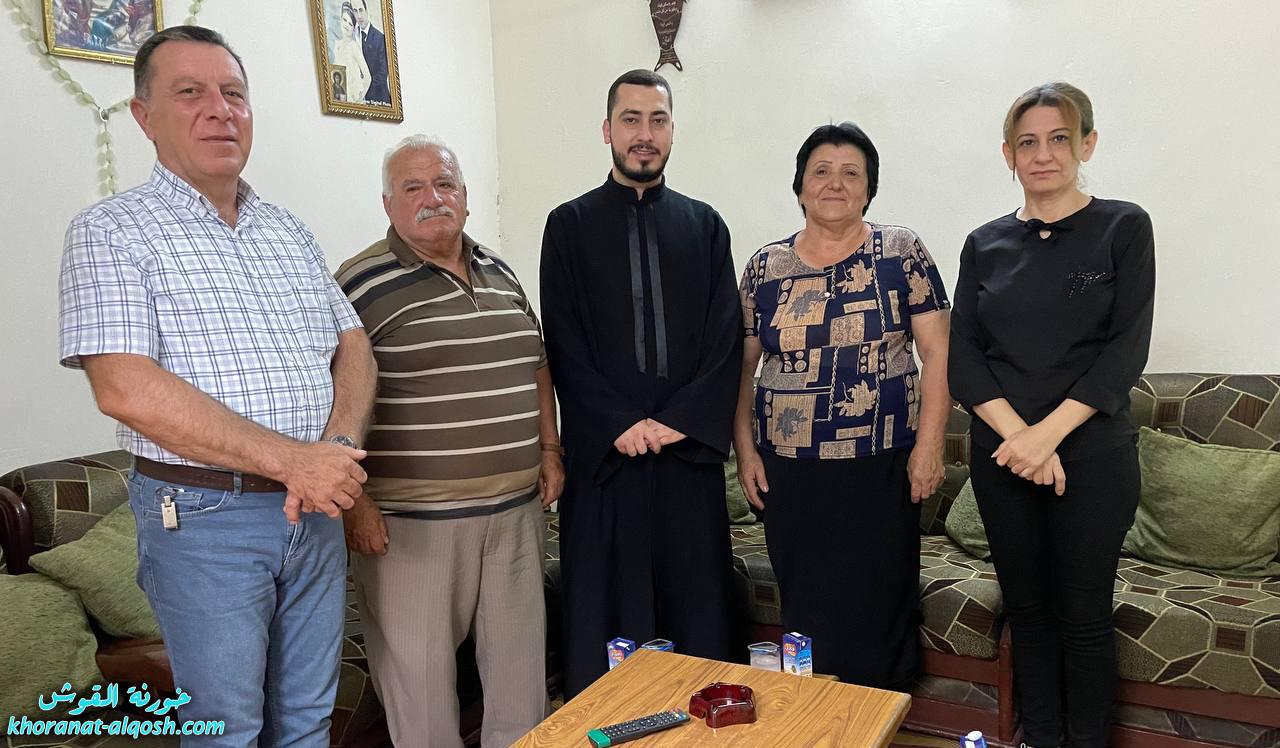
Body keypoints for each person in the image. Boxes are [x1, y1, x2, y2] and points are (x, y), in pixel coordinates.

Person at [57, 26, 377, 747]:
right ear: (144, 117)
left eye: (234, 93)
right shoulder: (111, 231)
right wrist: (295, 461)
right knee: (226, 731)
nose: (219, 109)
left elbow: (353, 344)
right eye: (190, 92)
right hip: (204, 517)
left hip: (313, 514)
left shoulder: (287, 231)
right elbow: (124, 388)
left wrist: (334, 447)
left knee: (307, 722)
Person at [336, 135, 562, 747]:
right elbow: (329, 398)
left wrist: (549, 450)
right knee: (422, 697)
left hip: (515, 514)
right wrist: (355, 503)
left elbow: (536, 363)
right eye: (413, 187)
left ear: (464, 194)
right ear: (388, 204)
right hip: (412, 527)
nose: (432, 198)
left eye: (444, 184)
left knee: (522, 688)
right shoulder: (357, 284)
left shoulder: (499, 270)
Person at [948, 82, 1155, 748]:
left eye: (1059, 138)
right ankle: (1038, 738)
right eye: (1028, 142)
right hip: (1003, 456)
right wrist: (1022, 441)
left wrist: (1047, 438)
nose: (1043, 154)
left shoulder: (1124, 227)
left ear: (1086, 144)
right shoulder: (983, 244)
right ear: (1008, 153)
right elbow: (965, 363)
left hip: (1093, 457)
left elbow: (1124, 353)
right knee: (1028, 614)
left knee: (1084, 616)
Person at [540, 68, 743, 698]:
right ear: (607, 130)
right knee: (606, 625)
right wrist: (619, 423)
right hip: (606, 466)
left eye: (657, 120)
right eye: (631, 120)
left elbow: (725, 339)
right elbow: (562, 342)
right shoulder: (568, 226)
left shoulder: (705, 227)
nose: (644, 134)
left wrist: (677, 421)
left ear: (673, 131)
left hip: (686, 463)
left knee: (697, 622)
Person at [732, 122, 951, 690]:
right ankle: (813, 708)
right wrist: (745, 452)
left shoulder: (900, 251)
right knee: (806, 597)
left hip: (882, 462)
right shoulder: (765, 267)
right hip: (790, 469)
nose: (836, 183)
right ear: (800, 186)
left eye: (851, 173)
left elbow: (939, 353)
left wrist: (930, 446)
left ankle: (880, 710)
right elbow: (741, 369)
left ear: (869, 188)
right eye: (821, 172)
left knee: (879, 592)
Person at [333, 4, 370, 103]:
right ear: (340, 19)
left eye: (350, 24)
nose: (346, 25)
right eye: (345, 20)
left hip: (353, 99)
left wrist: (358, 100)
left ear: (354, 28)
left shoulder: (354, 47)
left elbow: (368, 77)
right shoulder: (337, 45)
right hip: (342, 98)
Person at [356, 0, 390, 105]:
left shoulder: (380, 38)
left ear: (367, 11)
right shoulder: (354, 36)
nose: (359, 16)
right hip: (360, 99)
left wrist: (364, 85)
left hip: (379, 99)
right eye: (355, 11)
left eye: (361, 10)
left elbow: (383, 74)